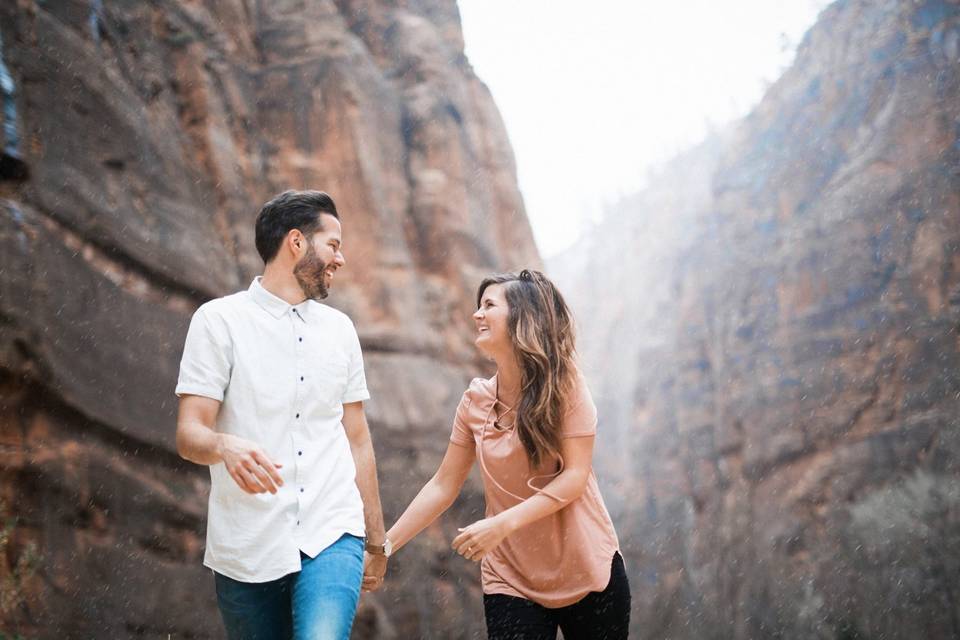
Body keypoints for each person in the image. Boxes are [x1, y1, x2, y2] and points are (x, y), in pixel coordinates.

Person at [175, 190, 388, 640]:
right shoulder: (217, 322)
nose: (341, 259)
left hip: (333, 530)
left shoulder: (340, 331)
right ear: (296, 242)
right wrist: (223, 445)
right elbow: (189, 433)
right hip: (246, 542)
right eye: (333, 244)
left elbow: (357, 438)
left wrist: (376, 538)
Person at [385, 269, 631, 639]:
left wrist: (502, 524)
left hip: (588, 570)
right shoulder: (474, 402)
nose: (476, 315)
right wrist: (386, 545)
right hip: (510, 577)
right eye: (478, 306)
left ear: (522, 318)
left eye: (489, 305)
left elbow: (574, 477)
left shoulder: (566, 387)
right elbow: (443, 484)